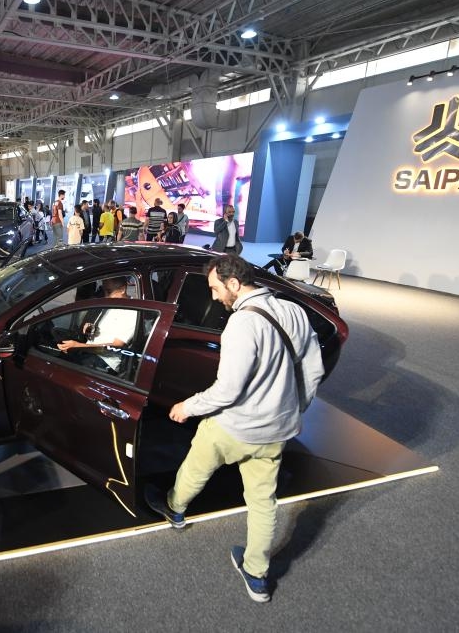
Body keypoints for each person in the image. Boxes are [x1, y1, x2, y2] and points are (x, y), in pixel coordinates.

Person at [145, 255, 324, 603]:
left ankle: (175, 508)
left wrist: (187, 407)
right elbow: (313, 371)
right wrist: (292, 409)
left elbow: (228, 390)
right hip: (277, 431)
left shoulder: (241, 325)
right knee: (262, 502)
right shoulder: (293, 312)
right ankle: (257, 576)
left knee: (197, 467)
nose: (213, 297)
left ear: (233, 284)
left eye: (215, 289)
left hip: (234, 428)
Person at [57, 277, 137, 373]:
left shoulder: (132, 313)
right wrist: (92, 326)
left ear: (122, 289)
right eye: (104, 291)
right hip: (89, 351)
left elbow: (115, 347)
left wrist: (79, 346)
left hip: (105, 362)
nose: (106, 296)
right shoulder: (112, 303)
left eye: (109, 291)